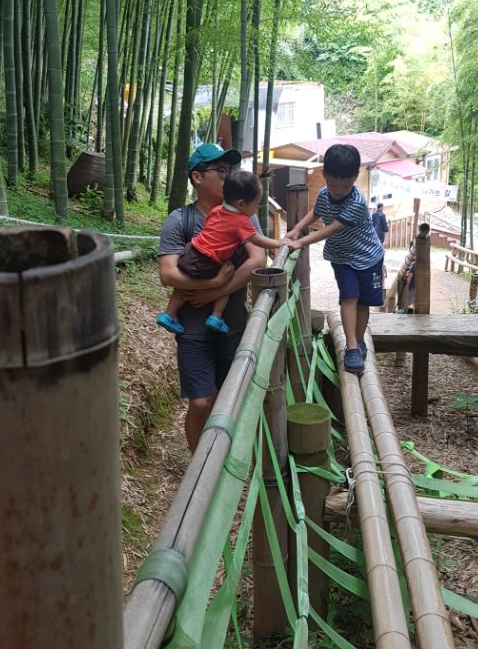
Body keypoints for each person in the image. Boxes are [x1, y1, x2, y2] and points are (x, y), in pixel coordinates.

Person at [157, 143, 266, 451]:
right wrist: (213, 282)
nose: (228, 176)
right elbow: (168, 274)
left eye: (230, 170)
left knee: (224, 400)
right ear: (197, 177)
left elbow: (257, 260)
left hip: (233, 325)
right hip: (192, 331)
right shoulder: (180, 220)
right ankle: (197, 464)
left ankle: (217, 462)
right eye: (221, 170)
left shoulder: (244, 214)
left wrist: (213, 292)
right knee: (201, 402)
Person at [282, 143, 384, 375]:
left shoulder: (356, 203)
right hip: (342, 257)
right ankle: (352, 347)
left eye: (345, 185)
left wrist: (301, 242)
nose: (338, 190)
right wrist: (296, 229)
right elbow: (316, 212)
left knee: (363, 303)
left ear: (355, 178)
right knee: (349, 298)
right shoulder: (323, 194)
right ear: (324, 174)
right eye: (333, 184)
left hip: (369, 258)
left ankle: (358, 340)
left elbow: (330, 229)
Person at [157, 169, 281, 335]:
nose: (258, 207)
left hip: (190, 254)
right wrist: (279, 243)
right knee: (225, 281)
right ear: (241, 204)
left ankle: (169, 314)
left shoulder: (216, 210)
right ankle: (216, 316)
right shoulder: (241, 221)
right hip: (209, 261)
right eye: (257, 203)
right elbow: (258, 240)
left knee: (183, 288)